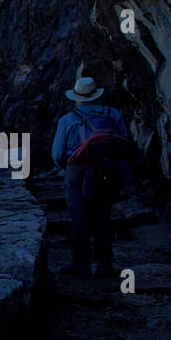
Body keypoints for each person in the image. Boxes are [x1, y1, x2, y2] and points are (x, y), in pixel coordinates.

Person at [51, 76, 129, 277]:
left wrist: (68, 168)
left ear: (76, 97)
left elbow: (57, 153)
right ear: (96, 95)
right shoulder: (113, 114)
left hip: (78, 172)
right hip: (106, 171)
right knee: (103, 215)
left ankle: (81, 265)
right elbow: (125, 143)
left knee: (79, 218)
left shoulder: (68, 120)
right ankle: (105, 265)